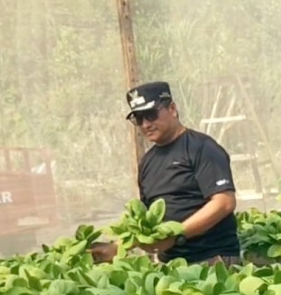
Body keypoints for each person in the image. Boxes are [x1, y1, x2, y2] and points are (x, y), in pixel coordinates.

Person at [91, 81, 240, 266]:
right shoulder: (147, 163)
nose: (145, 124)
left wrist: (176, 235)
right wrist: (117, 247)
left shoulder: (201, 148)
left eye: (151, 114)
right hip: (171, 266)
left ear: (172, 109)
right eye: (138, 118)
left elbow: (224, 203)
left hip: (213, 261)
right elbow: (147, 221)